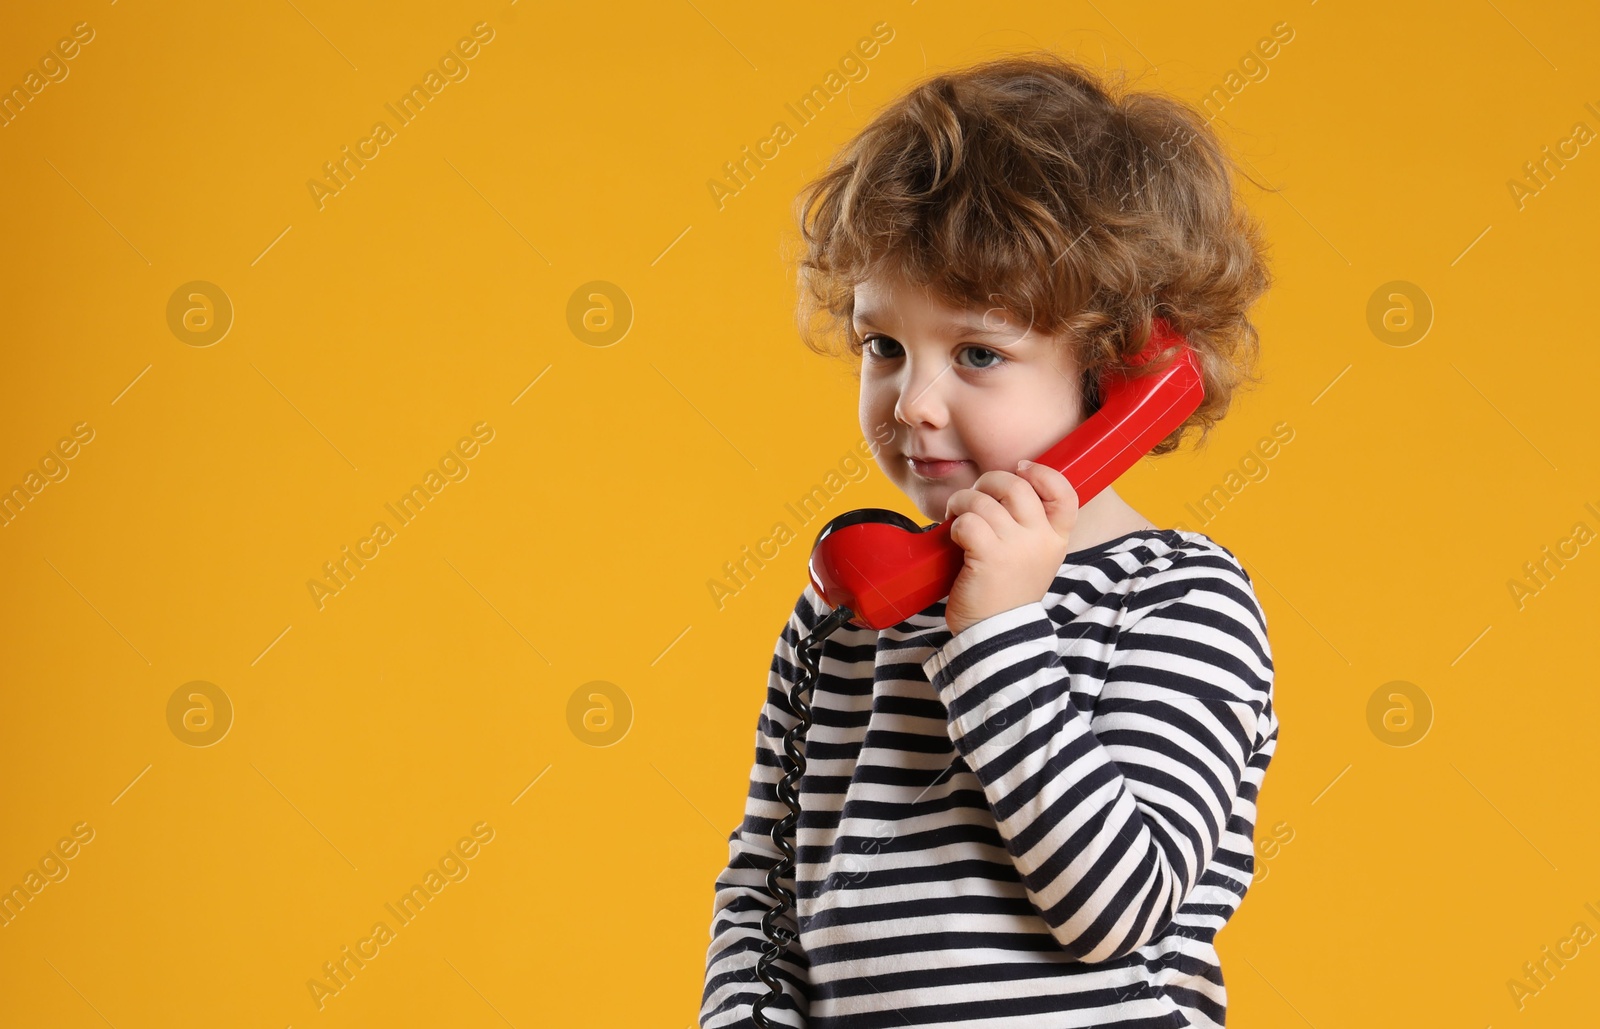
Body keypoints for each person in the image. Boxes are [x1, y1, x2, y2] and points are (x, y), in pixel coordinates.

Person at [700, 50, 1278, 1029]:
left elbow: (1118, 909)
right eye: (884, 347)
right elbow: (765, 877)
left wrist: (999, 635)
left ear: (1120, 370)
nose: (914, 404)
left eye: (977, 353)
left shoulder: (1182, 602)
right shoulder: (853, 603)